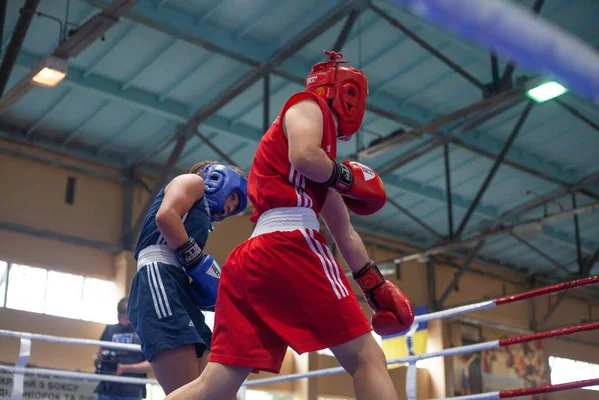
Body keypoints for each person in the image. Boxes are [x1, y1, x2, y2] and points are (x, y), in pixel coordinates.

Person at [166, 50, 415, 400]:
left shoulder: (317, 166)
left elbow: (344, 231)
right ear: (342, 91)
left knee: (216, 384)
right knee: (367, 358)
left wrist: (375, 287)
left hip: (250, 261)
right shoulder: (307, 108)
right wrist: (346, 177)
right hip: (290, 245)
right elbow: (305, 156)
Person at [126, 160, 248, 395]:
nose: (230, 207)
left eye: (236, 207)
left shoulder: (201, 216)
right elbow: (166, 217)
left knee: (220, 392)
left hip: (178, 285)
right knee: (188, 391)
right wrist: (195, 259)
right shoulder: (191, 182)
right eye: (233, 197)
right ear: (217, 180)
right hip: (158, 279)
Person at [94, 297, 151, 400]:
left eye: (126, 317)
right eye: (121, 316)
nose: (123, 320)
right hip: (107, 388)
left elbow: (152, 365)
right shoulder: (109, 329)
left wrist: (124, 368)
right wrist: (100, 359)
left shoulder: (143, 332)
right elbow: (98, 356)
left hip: (131, 389)